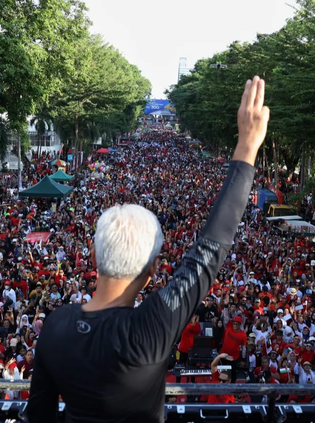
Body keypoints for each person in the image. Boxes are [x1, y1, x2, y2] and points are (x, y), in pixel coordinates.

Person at [28, 76, 269, 423]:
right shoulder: (153, 326)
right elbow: (211, 249)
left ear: (94, 258)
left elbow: (38, 414)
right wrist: (247, 147)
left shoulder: (56, 325)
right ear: (154, 268)